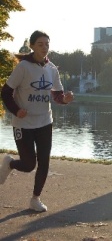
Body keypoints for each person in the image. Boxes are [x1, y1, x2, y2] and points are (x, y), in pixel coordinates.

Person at [0, 30, 74, 212]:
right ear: (32, 46)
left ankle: (35, 199)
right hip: (23, 124)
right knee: (28, 165)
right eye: (40, 44)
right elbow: (5, 93)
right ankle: (10, 163)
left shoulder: (52, 69)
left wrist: (64, 100)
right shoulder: (23, 67)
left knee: (44, 162)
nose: (44, 47)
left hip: (44, 122)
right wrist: (16, 111)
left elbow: (57, 95)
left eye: (47, 44)